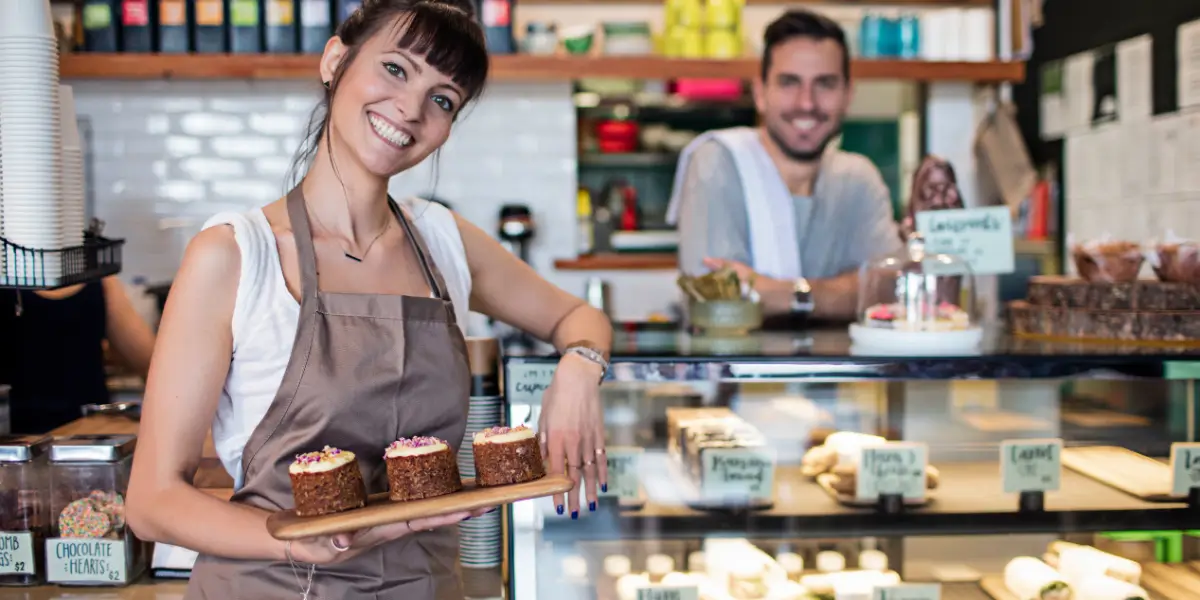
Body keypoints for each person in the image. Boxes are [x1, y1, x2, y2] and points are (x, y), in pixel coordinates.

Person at [125, 1, 613, 598]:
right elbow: (151, 501)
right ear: (335, 60)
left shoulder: (443, 241)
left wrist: (579, 371)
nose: (411, 109)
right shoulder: (233, 255)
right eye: (396, 69)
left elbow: (576, 316)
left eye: (443, 99)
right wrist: (293, 539)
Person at [667, 9, 903, 321]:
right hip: (736, 368)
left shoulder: (858, 179)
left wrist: (782, 293)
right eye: (789, 83)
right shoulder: (717, 161)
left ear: (848, 95)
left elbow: (888, 291)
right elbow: (719, 302)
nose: (807, 103)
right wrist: (841, 292)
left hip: (846, 370)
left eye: (825, 84)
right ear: (760, 93)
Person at [0, 277, 156, 433]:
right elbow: (147, 361)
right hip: (88, 433)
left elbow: (146, 360)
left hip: (75, 432)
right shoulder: (98, 272)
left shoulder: (99, 273)